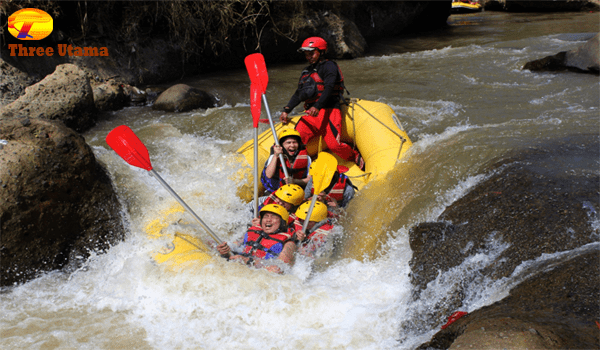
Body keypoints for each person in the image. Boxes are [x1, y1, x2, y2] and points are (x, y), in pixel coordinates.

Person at [279, 36, 365, 170]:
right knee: (294, 141)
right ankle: (296, 170)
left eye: (311, 53)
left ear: (321, 52)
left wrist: (317, 106)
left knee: (334, 145)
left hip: (330, 110)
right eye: (307, 54)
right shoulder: (306, 71)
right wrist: (286, 110)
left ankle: (354, 156)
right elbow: (298, 93)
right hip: (312, 115)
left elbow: (329, 88)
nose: (309, 57)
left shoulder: (329, 66)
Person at [217, 204, 297, 273]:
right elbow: (234, 247)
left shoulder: (289, 244)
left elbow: (279, 269)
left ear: (282, 223)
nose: (268, 220)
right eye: (266, 216)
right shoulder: (252, 231)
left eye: (274, 217)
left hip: (258, 273)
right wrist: (225, 251)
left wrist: (250, 262)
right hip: (240, 265)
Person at [261, 129, 311, 193]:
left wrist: (294, 181)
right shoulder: (274, 156)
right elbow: (268, 175)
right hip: (275, 191)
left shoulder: (307, 158)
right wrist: (276, 156)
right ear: (281, 146)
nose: (292, 145)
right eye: (288, 142)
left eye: (294, 142)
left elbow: (309, 180)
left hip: (296, 192)